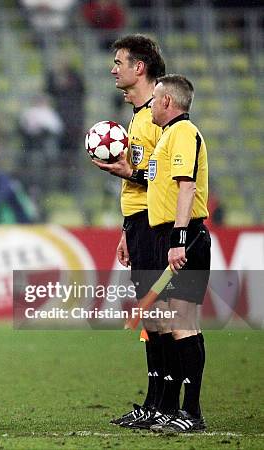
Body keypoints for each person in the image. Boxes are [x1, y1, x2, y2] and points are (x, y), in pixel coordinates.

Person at [91, 35, 168, 429]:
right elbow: (142, 181)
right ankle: (155, 403)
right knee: (152, 320)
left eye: (119, 60)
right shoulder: (139, 115)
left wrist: (131, 172)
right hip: (139, 224)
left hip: (159, 226)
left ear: (140, 67)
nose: (113, 67)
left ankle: (174, 407)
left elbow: (164, 175)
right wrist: (126, 228)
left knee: (167, 319)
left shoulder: (159, 114)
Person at [147, 74, 210, 433]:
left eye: (156, 99)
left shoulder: (183, 132)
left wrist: (179, 238)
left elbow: (186, 186)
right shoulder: (169, 136)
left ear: (168, 102)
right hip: (172, 236)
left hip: (184, 236)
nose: (152, 105)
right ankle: (184, 410)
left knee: (182, 324)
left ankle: (192, 412)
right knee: (178, 324)